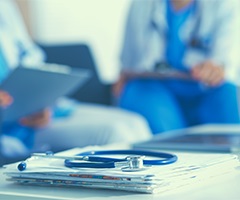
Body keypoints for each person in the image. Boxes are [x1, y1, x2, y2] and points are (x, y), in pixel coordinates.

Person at [0, 0, 152, 162]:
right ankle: (138, 182)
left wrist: (40, 99)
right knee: (115, 133)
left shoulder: (5, 6)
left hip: (43, 111)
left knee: (135, 123)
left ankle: (157, 182)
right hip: (14, 129)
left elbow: (30, 55)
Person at [115, 0, 240, 135]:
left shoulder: (225, 4)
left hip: (206, 89)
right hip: (154, 87)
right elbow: (128, 65)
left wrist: (215, 69)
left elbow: (225, 62)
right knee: (168, 138)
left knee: (228, 115)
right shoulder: (141, 4)